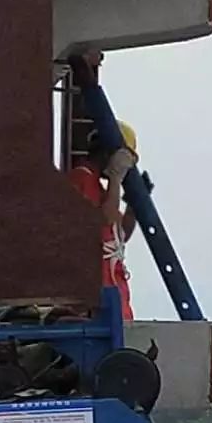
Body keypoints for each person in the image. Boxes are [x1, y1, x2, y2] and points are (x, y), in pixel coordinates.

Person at [68, 121, 139, 320]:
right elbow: (104, 221)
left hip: (113, 295)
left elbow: (118, 234)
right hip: (99, 297)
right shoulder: (82, 179)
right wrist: (116, 178)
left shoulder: (100, 189)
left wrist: (133, 206)